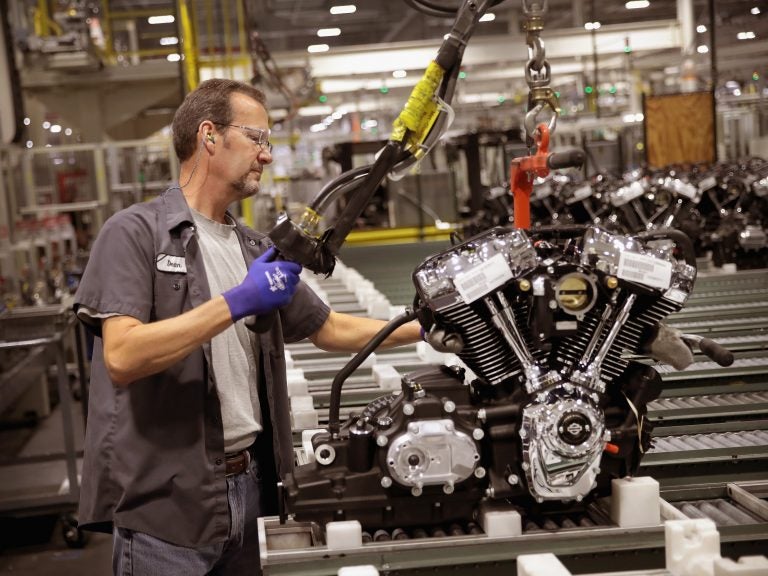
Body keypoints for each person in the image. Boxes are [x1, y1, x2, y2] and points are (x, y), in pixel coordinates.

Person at [74, 78, 422, 575]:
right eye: (256, 138)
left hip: (253, 491)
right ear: (209, 136)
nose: (266, 155)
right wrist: (238, 301)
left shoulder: (253, 247)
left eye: (268, 142)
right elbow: (123, 357)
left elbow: (329, 329)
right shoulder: (134, 233)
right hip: (167, 509)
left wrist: (427, 326)